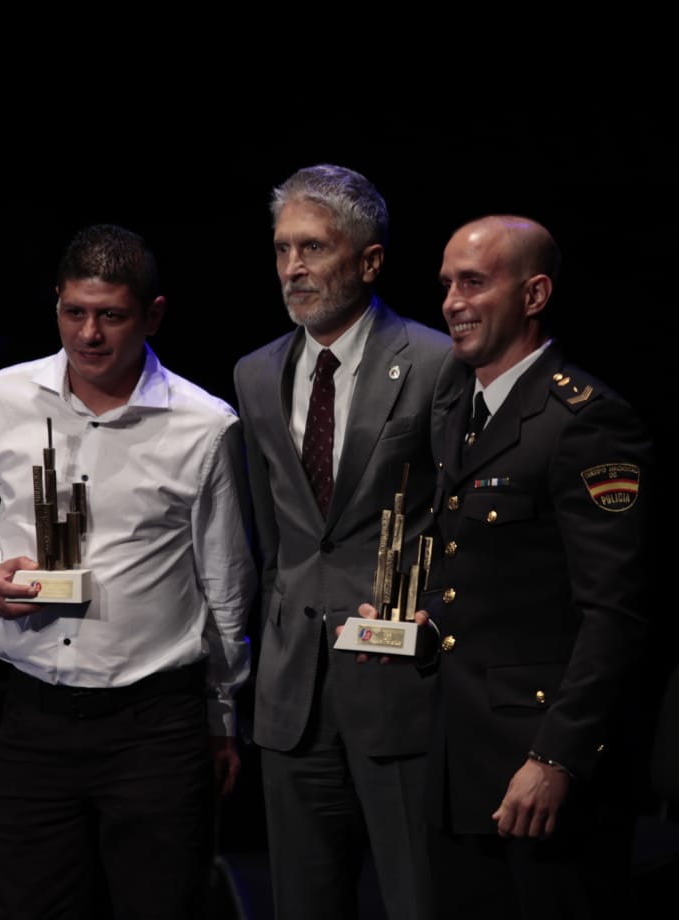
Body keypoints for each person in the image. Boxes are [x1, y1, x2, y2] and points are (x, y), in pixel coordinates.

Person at [0, 223, 256, 919]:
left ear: (153, 314)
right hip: (34, 716)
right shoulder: (1, 398)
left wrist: (223, 718)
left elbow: (225, 583)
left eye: (111, 316)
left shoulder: (205, 424)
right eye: (75, 312)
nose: (90, 334)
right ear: (57, 307)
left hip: (155, 725)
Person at [421, 214, 655, 918]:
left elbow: (615, 612)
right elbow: (482, 582)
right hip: (460, 761)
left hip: (540, 771)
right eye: (446, 285)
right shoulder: (461, 409)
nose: (453, 303)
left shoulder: (582, 420)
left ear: (534, 294)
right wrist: (414, 627)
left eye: (474, 282)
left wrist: (558, 758)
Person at [233, 165, 449, 919]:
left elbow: (458, 515)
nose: (294, 267)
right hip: (293, 689)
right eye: (283, 248)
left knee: (416, 897)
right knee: (302, 901)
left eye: (314, 247)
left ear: (369, 260)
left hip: (398, 684)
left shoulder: (435, 361)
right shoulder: (256, 373)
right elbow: (273, 537)